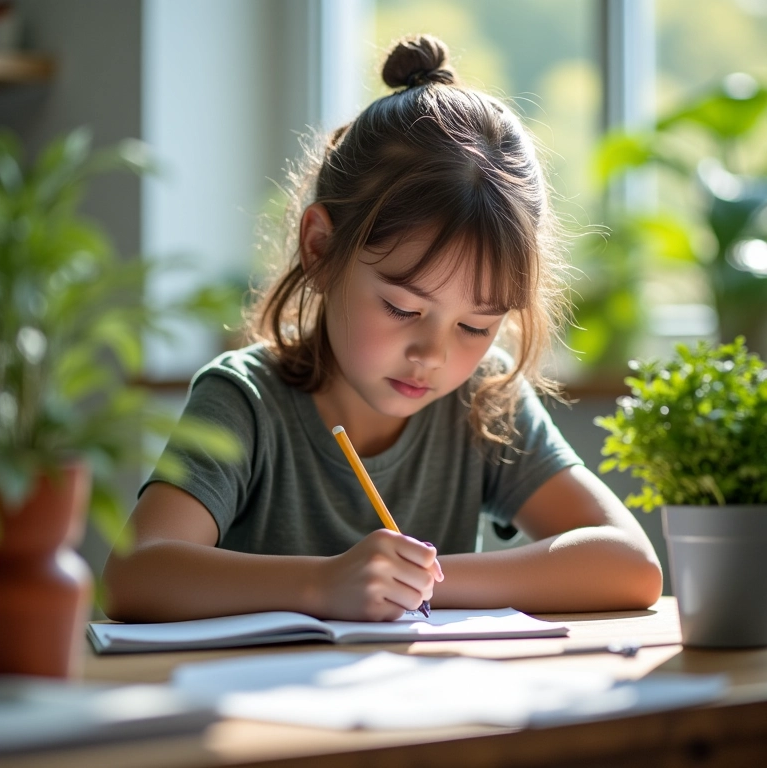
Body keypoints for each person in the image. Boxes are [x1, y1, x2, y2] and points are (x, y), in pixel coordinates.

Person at [103, 34, 662, 623]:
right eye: (401, 309)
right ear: (320, 248)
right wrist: (323, 584)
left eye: (476, 326)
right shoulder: (245, 401)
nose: (432, 354)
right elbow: (135, 574)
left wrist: (419, 583)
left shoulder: (485, 401)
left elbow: (629, 564)